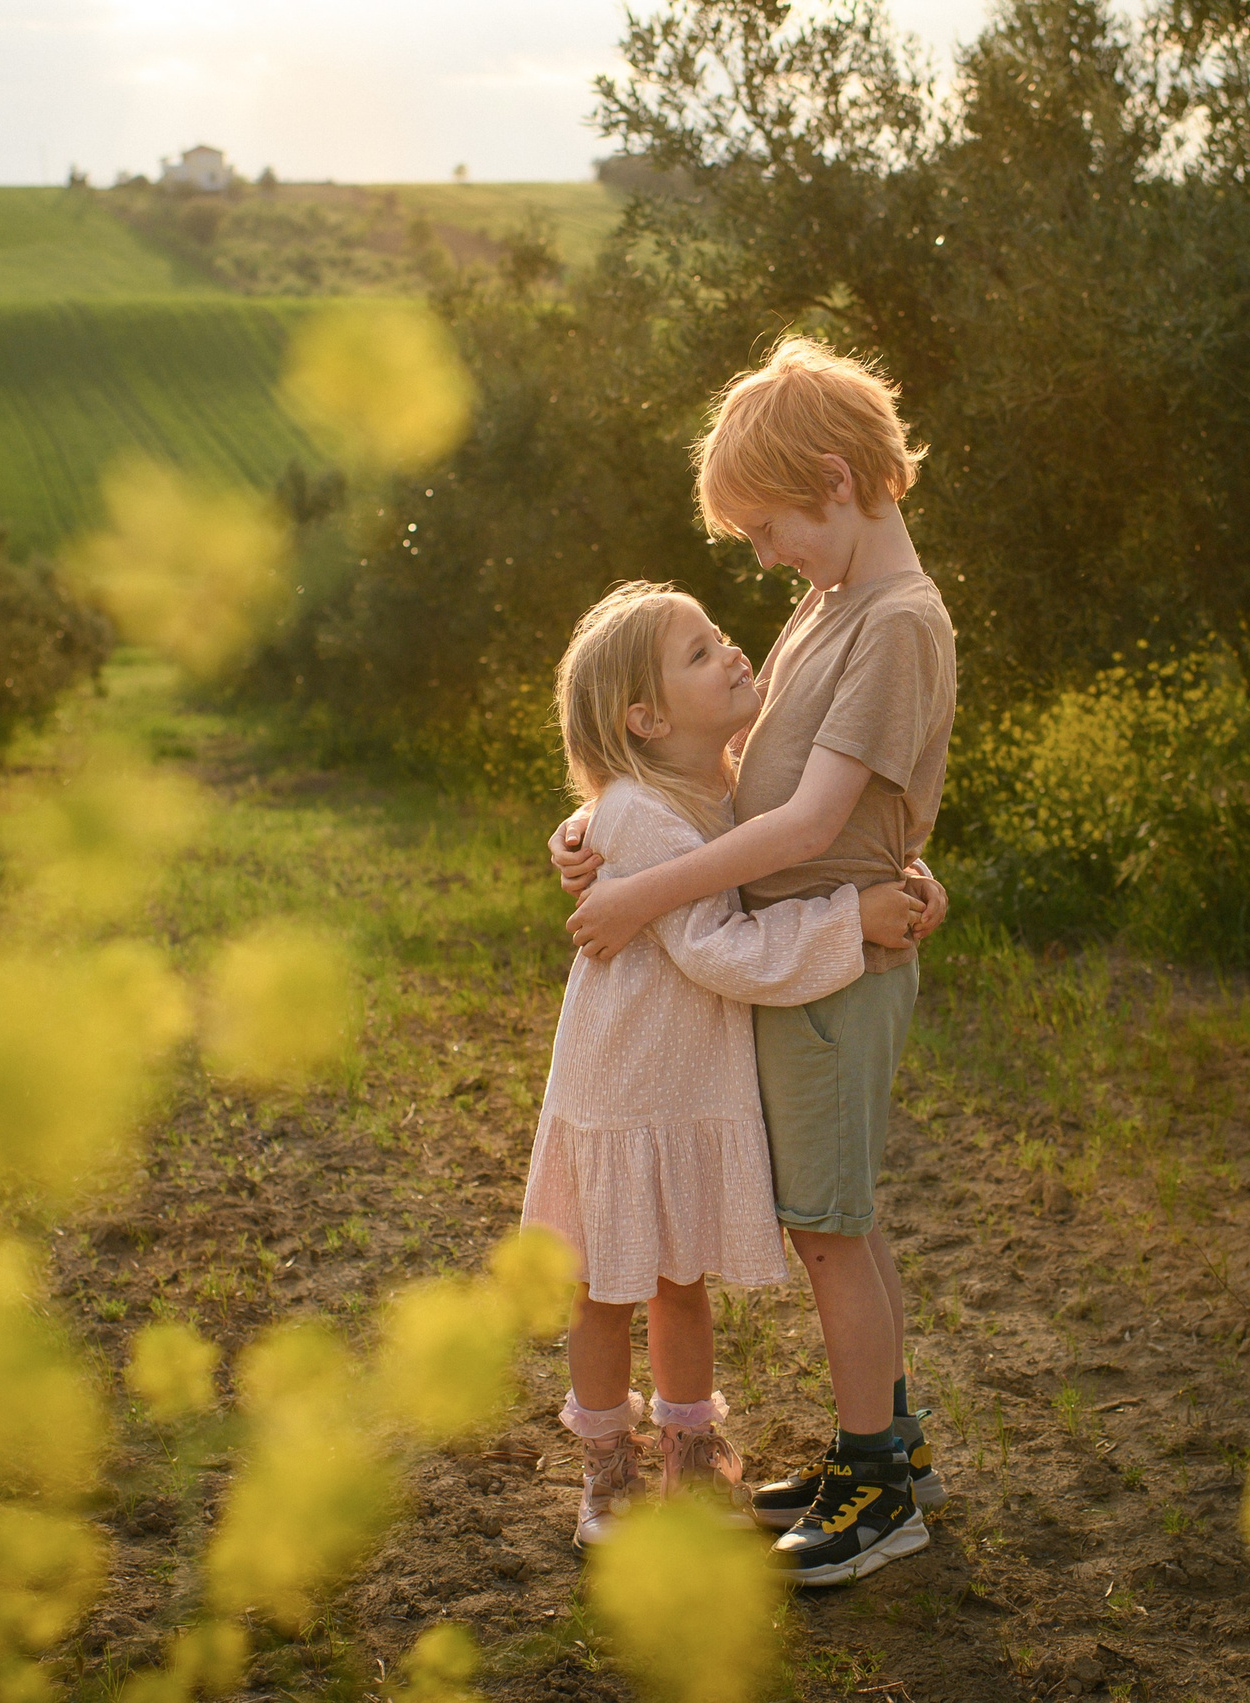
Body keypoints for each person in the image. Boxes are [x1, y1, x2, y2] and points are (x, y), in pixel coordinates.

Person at [550, 336, 957, 1586]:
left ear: (836, 481)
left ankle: (877, 1487)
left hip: (831, 964)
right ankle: (889, 1444)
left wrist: (637, 895)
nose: (766, 556)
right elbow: (731, 778)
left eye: (771, 527)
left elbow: (806, 826)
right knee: (843, 1218)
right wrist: (602, 821)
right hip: (806, 954)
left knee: (827, 1230)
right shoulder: (831, 605)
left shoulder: (894, 622)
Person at [522, 580, 926, 1549]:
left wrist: (898, 880)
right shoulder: (644, 814)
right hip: (630, 1085)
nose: (732, 651)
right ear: (646, 717)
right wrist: (847, 922)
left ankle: (693, 1449)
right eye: (700, 651)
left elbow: (797, 848)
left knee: (679, 1281)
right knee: (608, 1287)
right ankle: (608, 1469)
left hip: (682, 1080)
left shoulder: (721, 790)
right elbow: (720, 948)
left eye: (718, 637)